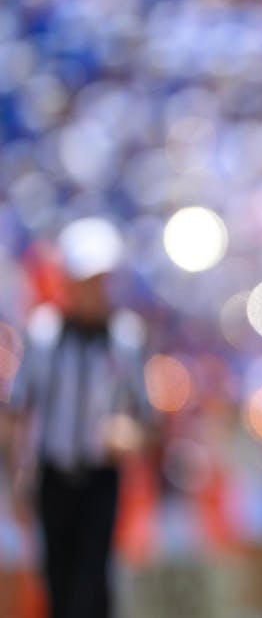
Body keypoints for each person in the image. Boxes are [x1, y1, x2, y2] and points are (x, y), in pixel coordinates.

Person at [1, 216, 156, 618]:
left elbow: (146, 418)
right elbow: (18, 409)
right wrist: (17, 478)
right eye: (88, 280)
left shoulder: (126, 337)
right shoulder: (42, 334)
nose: (97, 290)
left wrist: (130, 435)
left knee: (93, 581)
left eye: (102, 280)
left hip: (100, 477)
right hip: (52, 475)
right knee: (57, 579)